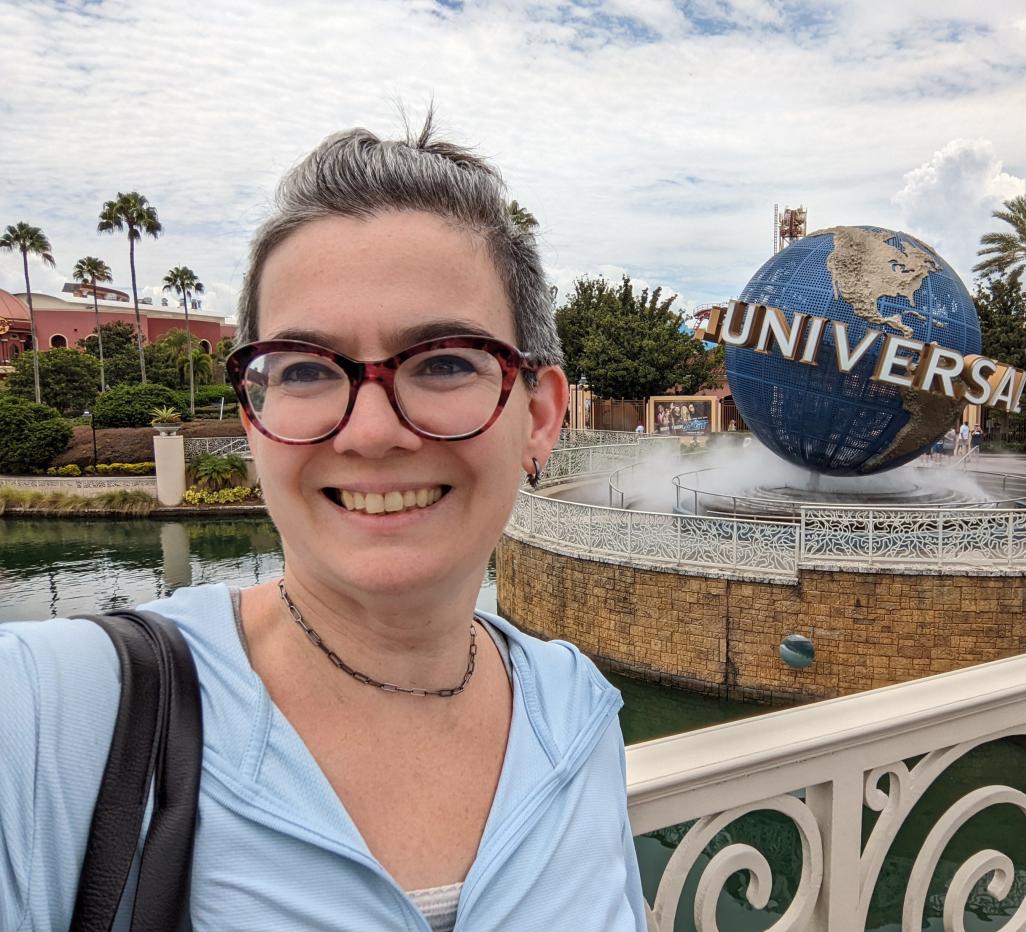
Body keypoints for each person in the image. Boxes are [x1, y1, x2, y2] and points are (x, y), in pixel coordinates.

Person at [0, 118, 646, 930]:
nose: (371, 432)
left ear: (539, 415)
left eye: (444, 360)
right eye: (305, 368)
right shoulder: (52, 717)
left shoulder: (576, 710)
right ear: (257, 417)